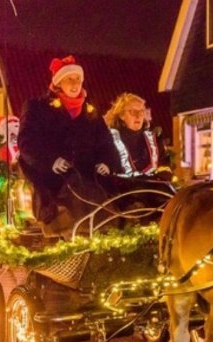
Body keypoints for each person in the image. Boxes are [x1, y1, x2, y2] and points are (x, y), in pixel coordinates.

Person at [17, 55, 121, 234]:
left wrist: (106, 161)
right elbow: (27, 142)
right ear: (58, 83)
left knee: (115, 193)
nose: (75, 84)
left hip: (89, 175)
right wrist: (51, 161)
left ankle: (111, 235)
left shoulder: (91, 112)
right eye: (69, 79)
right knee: (79, 194)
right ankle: (83, 237)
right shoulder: (37, 107)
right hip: (53, 177)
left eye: (78, 79)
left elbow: (106, 142)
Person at [104, 92, 172, 180]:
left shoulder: (154, 139)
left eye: (141, 112)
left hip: (151, 189)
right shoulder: (109, 139)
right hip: (121, 190)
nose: (138, 116)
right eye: (132, 112)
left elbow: (165, 165)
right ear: (121, 115)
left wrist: (163, 175)